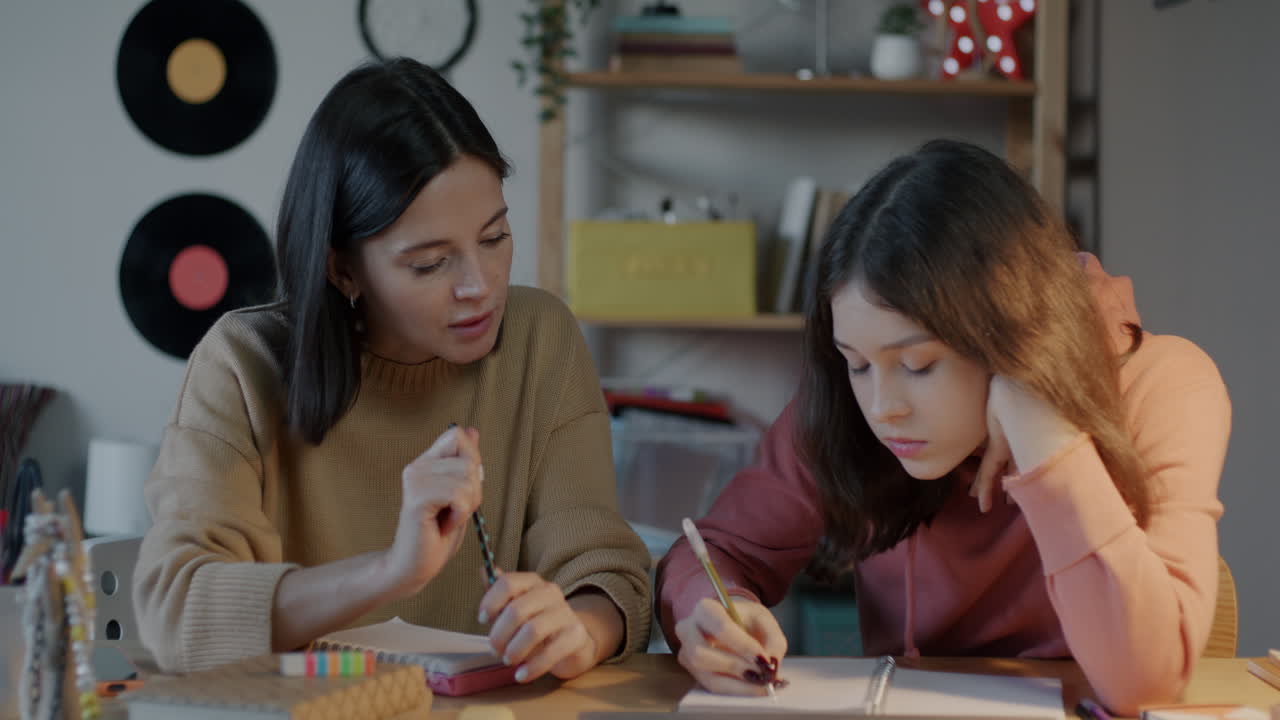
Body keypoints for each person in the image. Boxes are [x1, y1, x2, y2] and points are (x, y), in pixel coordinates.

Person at [656, 140, 1230, 715]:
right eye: (856, 362)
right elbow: (712, 551)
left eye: (918, 365)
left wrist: (1043, 432)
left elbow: (1146, 685)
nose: (883, 407)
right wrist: (716, 609)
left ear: (1009, 331)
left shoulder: (1164, 384)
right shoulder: (848, 404)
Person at [133, 58, 651, 681]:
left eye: (494, 237)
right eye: (431, 264)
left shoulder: (539, 338)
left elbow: (608, 573)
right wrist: (391, 571)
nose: (479, 287)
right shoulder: (242, 364)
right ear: (342, 270)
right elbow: (176, 615)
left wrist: (583, 627)